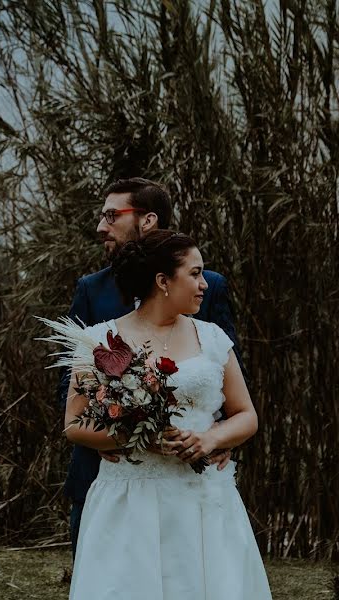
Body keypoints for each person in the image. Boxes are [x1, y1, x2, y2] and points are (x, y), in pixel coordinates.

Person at [63, 230, 272, 599]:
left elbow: (246, 415)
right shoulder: (100, 341)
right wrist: (137, 436)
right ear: (163, 281)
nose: (204, 284)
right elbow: (74, 425)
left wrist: (211, 438)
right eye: (195, 273)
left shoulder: (212, 338)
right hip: (130, 498)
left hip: (203, 498)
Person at [59, 178, 242, 557]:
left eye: (112, 215)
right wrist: (112, 435)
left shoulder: (206, 287)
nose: (101, 226)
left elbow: (228, 379)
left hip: (193, 468)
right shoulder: (92, 290)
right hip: (106, 468)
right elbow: (69, 386)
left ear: (147, 221)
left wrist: (221, 436)